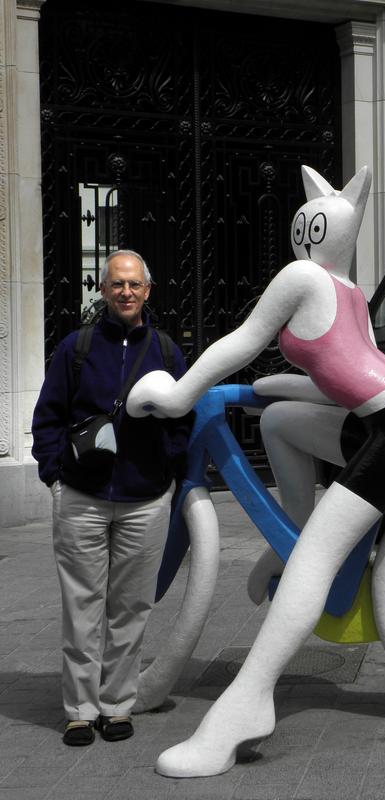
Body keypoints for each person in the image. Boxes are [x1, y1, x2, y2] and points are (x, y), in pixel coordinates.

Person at [126, 166, 385, 778]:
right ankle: (293, 528)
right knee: (279, 422)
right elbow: (346, 374)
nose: (305, 234)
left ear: (330, 229)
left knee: (316, 558)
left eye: (312, 225)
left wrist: (182, 394)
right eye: (304, 224)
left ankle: (246, 705)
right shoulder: (346, 288)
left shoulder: (302, 277)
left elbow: (245, 339)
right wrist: (273, 388)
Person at [32, 250, 193, 747]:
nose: (126, 292)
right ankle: (80, 710)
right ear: (103, 290)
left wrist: (166, 468)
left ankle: (116, 704)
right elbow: (49, 415)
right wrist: (53, 472)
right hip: (81, 496)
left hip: (145, 500)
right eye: (117, 284)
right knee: (82, 606)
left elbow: (185, 418)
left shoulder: (166, 351)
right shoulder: (75, 348)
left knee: (130, 607)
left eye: (135, 285)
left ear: (148, 290)